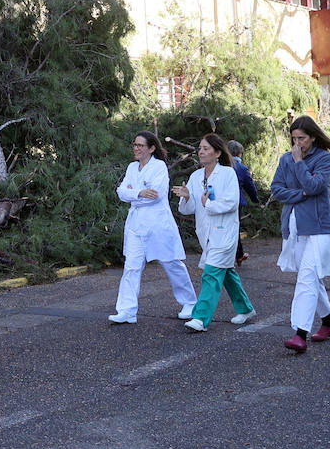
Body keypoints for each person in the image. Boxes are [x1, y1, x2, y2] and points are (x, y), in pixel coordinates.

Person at [270, 115, 330, 354]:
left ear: (313, 137)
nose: (297, 143)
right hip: (294, 227)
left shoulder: (324, 159)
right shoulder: (285, 159)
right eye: (294, 138)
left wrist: (299, 163)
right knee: (310, 277)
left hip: (319, 228)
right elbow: (277, 190)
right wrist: (300, 194)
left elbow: (314, 186)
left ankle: (300, 334)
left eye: (301, 138)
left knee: (306, 278)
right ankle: (328, 323)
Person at [110, 131, 198, 324]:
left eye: (140, 145)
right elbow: (121, 192)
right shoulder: (132, 167)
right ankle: (127, 310)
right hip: (135, 226)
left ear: (151, 148)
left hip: (158, 225)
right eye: (135, 145)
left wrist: (134, 193)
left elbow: (156, 195)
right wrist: (140, 192)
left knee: (172, 263)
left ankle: (190, 302)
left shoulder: (159, 167)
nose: (136, 148)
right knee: (131, 267)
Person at [176, 134, 255, 332]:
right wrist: (187, 197)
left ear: (217, 153)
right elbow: (188, 209)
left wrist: (208, 204)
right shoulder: (196, 176)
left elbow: (231, 203)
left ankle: (200, 318)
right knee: (226, 272)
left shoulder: (228, 174)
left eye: (206, 149)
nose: (201, 152)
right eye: (200, 148)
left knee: (211, 273)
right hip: (207, 234)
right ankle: (245, 309)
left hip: (225, 233)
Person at [228, 140, 259, 264]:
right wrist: (255, 199)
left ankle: (237, 254)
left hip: (219, 201)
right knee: (235, 228)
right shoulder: (241, 168)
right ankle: (237, 255)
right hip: (236, 202)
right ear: (239, 153)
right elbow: (250, 186)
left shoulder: (220, 166)